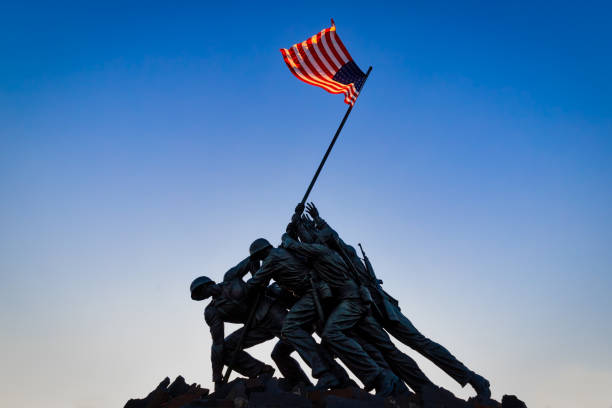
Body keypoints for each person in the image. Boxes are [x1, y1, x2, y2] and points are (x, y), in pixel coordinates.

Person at [304, 202, 492, 399]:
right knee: (390, 353)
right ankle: (425, 389)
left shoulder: (344, 251)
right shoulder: (327, 261)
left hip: (381, 303)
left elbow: (330, 236)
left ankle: (473, 378)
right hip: (366, 308)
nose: (315, 240)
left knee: (420, 343)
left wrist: (318, 220)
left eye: (316, 236)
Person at [246, 237, 353, 391]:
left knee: (289, 328)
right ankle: (316, 380)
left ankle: (326, 374)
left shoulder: (273, 257)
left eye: (258, 257)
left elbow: (255, 282)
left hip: (313, 293)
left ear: (262, 252)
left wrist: (251, 276)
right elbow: (263, 283)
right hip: (308, 297)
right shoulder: (278, 256)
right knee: (280, 351)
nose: (260, 260)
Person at [190, 255, 311, 391]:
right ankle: (261, 371)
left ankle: (327, 373)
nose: (203, 294)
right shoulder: (212, 311)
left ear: (207, 284)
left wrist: (260, 283)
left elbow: (253, 259)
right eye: (200, 295)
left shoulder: (230, 277)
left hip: (270, 311)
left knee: (297, 339)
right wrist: (217, 376)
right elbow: (217, 344)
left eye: (201, 291)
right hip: (255, 326)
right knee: (227, 348)